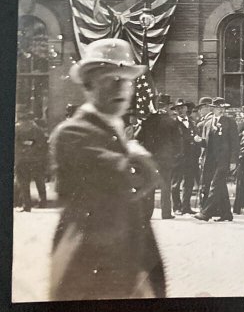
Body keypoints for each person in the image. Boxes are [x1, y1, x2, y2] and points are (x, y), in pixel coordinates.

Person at [48, 38, 165, 300]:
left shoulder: (114, 131)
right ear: (89, 85)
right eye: (111, 79)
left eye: (127, 80)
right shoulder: (73, 132)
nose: (122, 88)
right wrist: (136, 154)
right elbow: (131, 175)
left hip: (128, 265)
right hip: (89, 271)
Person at [194, 97, 238, 222]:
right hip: (210, 160)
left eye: (223, 108)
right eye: (218, 108)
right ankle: (226, 214)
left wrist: (233, 161)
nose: (221, 110)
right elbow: (206, 143)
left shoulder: (229, 122)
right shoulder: (208, 123)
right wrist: (199, 141)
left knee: (215, 185)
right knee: (220, 187)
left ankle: (206, 213)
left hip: (224, 160)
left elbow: (235, 143)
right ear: (213, 109)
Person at [139, 94, 181, 220]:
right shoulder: (172, 122)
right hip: (166, 159)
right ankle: (166, 213)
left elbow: (138, 138)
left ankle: (147, 213)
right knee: (165, 185)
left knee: (150, 185)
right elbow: (178, 143)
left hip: (150, 158)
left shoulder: (147, 121)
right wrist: (175, 155)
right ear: (168, 107)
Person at [171, 98, 202, 215]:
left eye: (182, 108)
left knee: (189, 183)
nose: (180, 111)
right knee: (176, 183)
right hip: (178, 157)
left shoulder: (192, 122)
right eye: (178, 108)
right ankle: (177, 207)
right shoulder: (173, 123)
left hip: (191, 158)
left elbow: (196, 136)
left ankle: (186, 206)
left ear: (186, 109)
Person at [14, 105, 48, 211]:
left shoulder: (16, 127)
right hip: (35, 159)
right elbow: (42, 143)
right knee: (39, 180)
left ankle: (27, 205)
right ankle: (43, 202)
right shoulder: (36, 128)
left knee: (24, 182)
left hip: (21, 158)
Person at [194, 97, 215, 208]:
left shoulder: (206, 122)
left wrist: (201, 156)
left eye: (201, 108)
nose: (199, 111)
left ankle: (205, 207)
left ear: (207, 108)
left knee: (206, 182)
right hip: (209, 155)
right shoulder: (205, 121)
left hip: (208, 156)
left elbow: (205, 142)